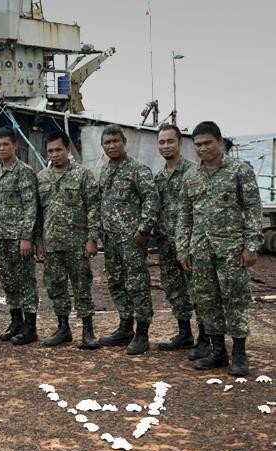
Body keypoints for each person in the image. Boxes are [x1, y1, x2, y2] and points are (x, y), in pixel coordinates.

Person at [176, 121, 262, 375]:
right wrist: (183, 249)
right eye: (198, 145)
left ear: (220, 141)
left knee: (235, 300)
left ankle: (239, 354)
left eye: (207, 143)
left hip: (232, 250)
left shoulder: (239, 171)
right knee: (206, 301)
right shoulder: (191, 176)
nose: (203, 149)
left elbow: (253, 209)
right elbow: (184, 215)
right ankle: (217, 351)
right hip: (201, 250)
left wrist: (251, 245)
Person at [35, 130, 102, 349]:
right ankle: (63, 328)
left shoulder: (83, 175)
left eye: (58, 150)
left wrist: (92, 238)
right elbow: (38, 213)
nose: (54, 154)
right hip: (52, 244)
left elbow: (93, 207)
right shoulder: (42, 178)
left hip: (77, 244)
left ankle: (88, 330)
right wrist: (39, 242)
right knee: (56, 287)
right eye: (50, 151)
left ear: (68, 150)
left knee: (82, 286)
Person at [97, 124, 159, 355]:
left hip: (132, 240)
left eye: (115, 141)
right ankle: (125, 326)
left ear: (124, 142)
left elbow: (151, 200)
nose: (112, 146)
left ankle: (142, 332)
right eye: (107, 143)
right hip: (111, 240)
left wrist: (144, 230)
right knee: (115, 282)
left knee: (137, 284)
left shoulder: (138, 170)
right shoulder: (106, 170)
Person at [153, 124, 207, 357]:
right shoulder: (159, 177)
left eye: (170, 141)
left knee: (199, 291)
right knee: (175, 290)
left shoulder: (194, 172)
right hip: (166, 243)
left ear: (180, 143)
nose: (166, 146)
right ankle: (184, 333)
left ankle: (206, 338)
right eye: (162, 142)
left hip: (192, 244)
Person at [0, 127, 38, 345]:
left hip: (19, 238)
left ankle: (30, 326)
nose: (2, 149)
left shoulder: (24, 171)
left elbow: (30, 206)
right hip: (1, 237)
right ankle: (15, 320)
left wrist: (27, 237)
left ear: (15, 145)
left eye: (5, 144)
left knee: (25, 281)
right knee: (8, 282)